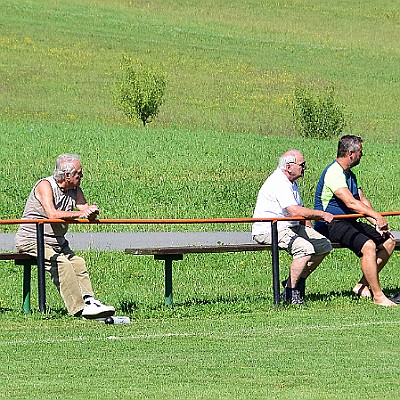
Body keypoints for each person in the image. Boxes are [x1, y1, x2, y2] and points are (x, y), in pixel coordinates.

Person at [15, 154, 115, 318]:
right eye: (79, 173)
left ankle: (89, 301)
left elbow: (84, 210)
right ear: (67, 175)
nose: (81, 176)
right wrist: (80, 213)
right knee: (62, 263)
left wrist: (91, 212)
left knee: (78, 262)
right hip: (33, 240)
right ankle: (78, 309)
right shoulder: (45, 185)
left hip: (58, 242)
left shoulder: (75, 189)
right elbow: (52, 214)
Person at [314, 135, 396, 306]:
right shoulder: (334, 172)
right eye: (360, 151)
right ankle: (378, 296)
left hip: (349, 221)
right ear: (351, 153)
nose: (362, 155)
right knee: (369, 246)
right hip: (330, 223)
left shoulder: (350, 174)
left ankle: (361, 285)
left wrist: (376, 221)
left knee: (388, 242)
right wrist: (377, 216)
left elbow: (361, 200)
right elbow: (350, 203)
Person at [252, 150, 334, 304]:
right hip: (271, 228)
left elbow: (300, 213)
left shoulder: (291, 183)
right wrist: (322, 215)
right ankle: (291, 293)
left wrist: (309, 229)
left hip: (290, 226)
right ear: (289, 166)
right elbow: (294, 211)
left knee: (323, 245)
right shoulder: (279, 182)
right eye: (302, 165)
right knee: (305, 249)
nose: (305, 168)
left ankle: (293, 282)